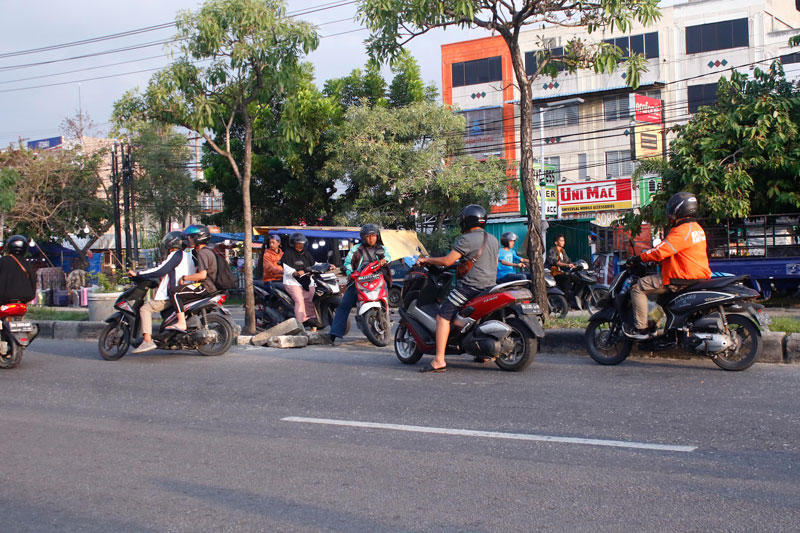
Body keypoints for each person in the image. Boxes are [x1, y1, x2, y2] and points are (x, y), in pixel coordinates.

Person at [416, 205, 499, 373]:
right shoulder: (493, 239)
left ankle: (439, 360)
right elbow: (494, 263)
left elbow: (447, 261)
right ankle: (482, 353)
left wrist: (427, 260)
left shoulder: (466, 239)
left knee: (442, 317)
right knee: (478, 317)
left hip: (470, 287)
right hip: (490, 286)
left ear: (466, 220)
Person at [624, 191, 711, 340]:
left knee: (638, 287)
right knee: (660, 301)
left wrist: (639, 258)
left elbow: (660, 251)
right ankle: (653, 324)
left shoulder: (681, 231)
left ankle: (641, 329)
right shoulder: (696, 228)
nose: (670, 215)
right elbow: (679, 253)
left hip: (680, 277)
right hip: (694, 275)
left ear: (678, 209)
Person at [129, 231, 195, 353]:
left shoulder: (176, 254)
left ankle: (147, 341)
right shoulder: (188, 255)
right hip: (184, 291)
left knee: (145, 309)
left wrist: (138, 273)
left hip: (170, 294)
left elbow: (161, 270)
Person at [329, 224, 391, 344]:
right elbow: (347, 263)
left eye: (374, 236)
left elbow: (388, 258)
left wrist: (385, 260)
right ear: (363, 237)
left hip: (377, 281)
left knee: (385, 302)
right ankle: (334, 333)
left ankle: (386, 320)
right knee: (344, 305)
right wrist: (350, 272)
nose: (371, 238)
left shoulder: (382, 249)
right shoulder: (356, 249)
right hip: (358, 282)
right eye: (368, 236)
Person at [167, 224, 218, 332]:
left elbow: (202, 275)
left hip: (205, 287)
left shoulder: (202, 253)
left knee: (174, 292)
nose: (189, 239)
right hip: (208, 286)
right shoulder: (208, 251)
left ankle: (181, 323)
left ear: (197, 238)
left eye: (191, 237)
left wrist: (185, 278)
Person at [281, 232, 333, 329]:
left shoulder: (307, 254)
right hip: (292, 282)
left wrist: (327, 266)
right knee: (300, 300)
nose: (300, 246)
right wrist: (295, 273)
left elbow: (314, 264)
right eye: (298, 244)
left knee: (311, 300)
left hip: (307, 281)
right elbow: (287, 268)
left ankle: (312, 320)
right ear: (293, 244)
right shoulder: (288, 254)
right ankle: (300, 324)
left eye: (302, 244)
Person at [0, 235, 37, 305]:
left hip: (3, 300)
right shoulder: (28, 264)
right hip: (22, 301)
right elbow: (33, 281)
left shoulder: (2, 261)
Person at [545, 234, 575, 305]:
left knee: (576, 278)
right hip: (553, 273)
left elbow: (567, 260)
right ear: (556, 242)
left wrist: (574, 264)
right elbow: (555, 262)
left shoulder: (563, 251)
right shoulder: (552, 251)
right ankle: (565, 301)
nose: (563, 242)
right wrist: (567, 265)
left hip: (561, 272)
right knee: (566, 279)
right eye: (561, 240)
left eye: (563, 240)